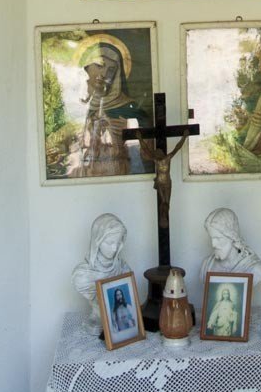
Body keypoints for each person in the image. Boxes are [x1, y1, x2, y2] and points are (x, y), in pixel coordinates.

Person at [71, 35, 149, 178]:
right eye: (100, 65)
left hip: (121, 173)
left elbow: (143, 152)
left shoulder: (131, 108)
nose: (104, 74)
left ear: (118, 73)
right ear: (87, 68)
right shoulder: (85, 108)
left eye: (111, 68)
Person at [71, 213, 132, 321]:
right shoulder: (82, 276)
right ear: (97, 241)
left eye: (118, 243)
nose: (114, 248)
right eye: (109, 243)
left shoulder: (124, 269)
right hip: (97, 319)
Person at [199, 207, 261, 286]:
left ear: (232, 237)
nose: (213, 244)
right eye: (211, 238)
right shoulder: (207, 265)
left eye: (218, 238)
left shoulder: (254, 269)